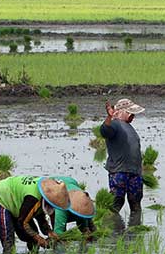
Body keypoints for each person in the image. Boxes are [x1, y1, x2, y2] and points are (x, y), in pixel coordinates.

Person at [0, 176, 70, 252]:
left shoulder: (47, 194)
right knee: (8, 240)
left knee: (33, 239)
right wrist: (38, 238)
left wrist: (49, 232)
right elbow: (22, 223)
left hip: (20, 203)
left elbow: (40, 216)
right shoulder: (33, 199)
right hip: (2, 195)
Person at [101, 98, 145, 226]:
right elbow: (105, 131)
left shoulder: (129, 127)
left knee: (136, 203)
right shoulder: (115, 124)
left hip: (134, 173)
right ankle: (111, 232)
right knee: (117, 201)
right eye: (130, 113)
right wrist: (109, 117)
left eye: (133, 114)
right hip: (119, 171)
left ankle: (135, 231)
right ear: (120, 112)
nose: (133, 116)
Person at [50, 176, 95, 241]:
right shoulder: (61, 207)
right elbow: (59, 232)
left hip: (70, 182)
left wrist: (86, 229)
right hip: (54, 187)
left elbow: (84, 217)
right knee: (59, 232)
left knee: (87, 227)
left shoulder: (83, 198)